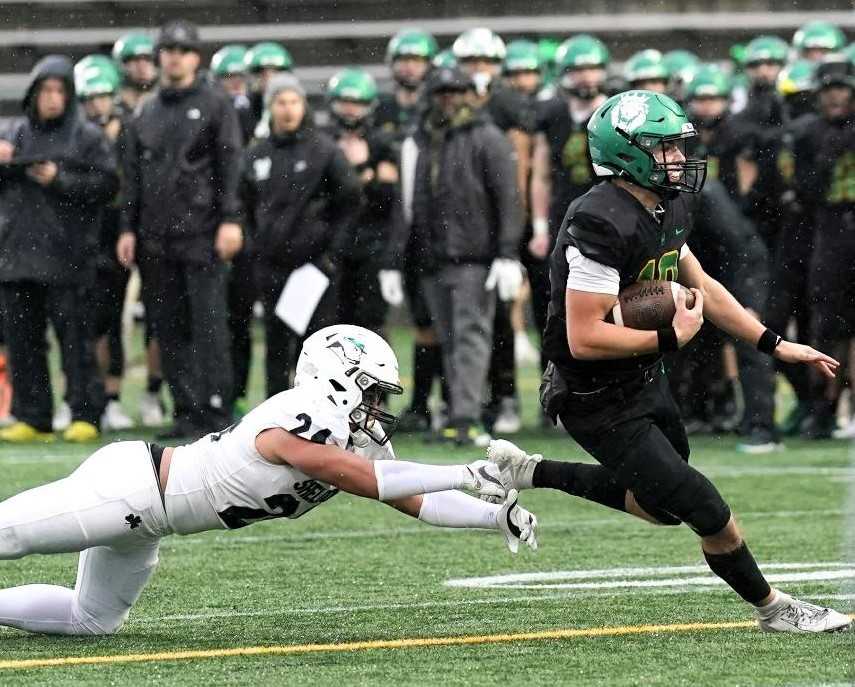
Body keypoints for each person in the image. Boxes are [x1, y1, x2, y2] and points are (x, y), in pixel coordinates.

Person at [483, 89, 851, 633]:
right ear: (626, 152)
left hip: (642, 379)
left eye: (677, 146)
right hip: (592, 395)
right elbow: (583, 337)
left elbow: (701, 283)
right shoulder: (597, 220)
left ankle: (527, 470)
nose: (679, 158)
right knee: (710, 512)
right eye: (664, 148)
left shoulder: (670, 202)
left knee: (659, 506)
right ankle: (775, 608)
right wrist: (668, 339)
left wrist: (774, 343)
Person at [0, 324, 537, 637]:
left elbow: (413, 498)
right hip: (132, 489)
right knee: (8, 536)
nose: (377, 407)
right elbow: (357, 476)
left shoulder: (352, 437)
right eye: (372, 392)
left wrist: (495, 515)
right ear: (339, 378)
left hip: (151, 525)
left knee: (91, 620)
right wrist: (468, 472)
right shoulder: (303, 413)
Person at [117, 20, 243, 439]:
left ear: (196, 57)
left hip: (202, 232)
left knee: (209, 324)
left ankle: (216, 409)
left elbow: (230, 164)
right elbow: (132, 176)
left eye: (182, 49)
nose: (174, 55)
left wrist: (230, 219)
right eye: (167, 48)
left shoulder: (215, 102)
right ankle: (186, 410)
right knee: (167, 326)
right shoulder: (146, 109)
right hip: (155, 236)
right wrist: (127, 228)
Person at [0, 55, 117, 443]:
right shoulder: (13, 132)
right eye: (45, 90)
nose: (51, 99)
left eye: (58, 91)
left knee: (77, 343)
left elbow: (107, 188)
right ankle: (33, 417)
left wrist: (59, 179)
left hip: (69, 257)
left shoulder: (87, 137)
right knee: (22, 344)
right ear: (33, 93)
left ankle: (85, 412)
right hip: (16, 257)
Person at [408, 66, 524, 446]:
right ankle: (458, 412)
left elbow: (508, 197)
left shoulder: (486, 137)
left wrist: (507, 251)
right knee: (449, 338)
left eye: (455, 91)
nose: (448, 98)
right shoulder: (425, 138)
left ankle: (467, 416)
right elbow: (416, 201)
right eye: (442, 92)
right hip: (434, 257)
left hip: (473, 256)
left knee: (471, 338)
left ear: (467, 93)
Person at [239, 73, 361, 397]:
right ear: (270, 107)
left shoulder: (324, 150)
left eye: (294, 101)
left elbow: (350, 200)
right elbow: (244, 204)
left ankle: (322, 414)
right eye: (281, 102)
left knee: (318, 347)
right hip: (272, 267)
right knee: (276, 345)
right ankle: (275, 418)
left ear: (303, 105)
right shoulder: (256, 153)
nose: (288, 109)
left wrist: (331, 255)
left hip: (314, 266)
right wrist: (255, 248)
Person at [453, 27, 535, 434]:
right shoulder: (454, 99)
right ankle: (471, 399)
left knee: (500, 316)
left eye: (485, 61)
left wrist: (514, 227)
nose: (478, 69)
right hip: (466, 222)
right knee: (471, 321)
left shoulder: (506, 102)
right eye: (471, 62)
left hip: (500, 219)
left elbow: (518, 167)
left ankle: (505, 397)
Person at [793, 59, 855, 438]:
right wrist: (826, 155)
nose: (835, 95)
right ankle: (824, 407)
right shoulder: (807, 134)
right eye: (828, 89)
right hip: (828, 230)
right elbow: (805, 191)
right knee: (827, 324)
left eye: (842, 88)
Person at [74, 54, 135, 431]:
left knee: (112, 321)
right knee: (81, 323)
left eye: (102, 96)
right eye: (90, 97)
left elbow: (134, 185)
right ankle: (84, 396)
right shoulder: (76, 135)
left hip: (118, 236)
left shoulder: (129, 131)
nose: (97, 103)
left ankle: (111, 398)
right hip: (83, 236)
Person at [325, 68, 405, 334]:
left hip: (373, 243)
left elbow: (386, 199)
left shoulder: (382, 143)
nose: (350, 110)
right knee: (332, 325)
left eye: (357, 103)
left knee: (371, 325)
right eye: (345, 102)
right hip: (331, 243)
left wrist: (360, 170)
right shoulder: (323, 143)